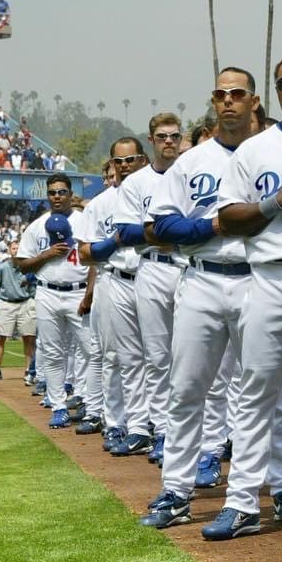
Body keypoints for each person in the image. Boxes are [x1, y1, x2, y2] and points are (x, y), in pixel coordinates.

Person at [202, 52, 282, 541]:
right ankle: (241, 504)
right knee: (254, 394)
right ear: (274, 93)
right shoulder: (254, 150)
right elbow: (229, 217)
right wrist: (275, 202)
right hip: (269, 274)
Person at [138, 68, 260, 529]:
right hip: (202, 277)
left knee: (254, 392)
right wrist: (212, 226)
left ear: (252, 100)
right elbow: (161, 227)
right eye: (220, 94)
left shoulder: (268, 152)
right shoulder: (192, 161)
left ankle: (247, 496)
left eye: (237, 93)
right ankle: (175, 490)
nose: (228, 100)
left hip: (256, 278)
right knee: (186, 387)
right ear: (213, 100)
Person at [110, 113, 182, 459]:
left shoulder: (191, 170)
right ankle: (163, 430)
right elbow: (125, 232)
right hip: (151, 268)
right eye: (162, 136)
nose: (169, 141)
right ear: (151, 140)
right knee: (157, 356)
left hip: (188, 267)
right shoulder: (136, 182)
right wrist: (170, 232)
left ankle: (196, 434)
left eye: (174, 136)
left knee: (193, 357)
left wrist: (165, 232)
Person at [78, 138, 149, 447]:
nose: (124, 165)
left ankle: (149, 425)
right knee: (115, 356)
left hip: (152, 274)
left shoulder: (156, 190)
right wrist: (115, 242)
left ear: (142, 159)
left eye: (130, 159)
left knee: (159, 358)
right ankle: (118, 423)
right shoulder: (101, 203)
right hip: (115, 278)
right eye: (118, 161)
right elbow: (85, 254)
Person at [14, 173, 97, 429]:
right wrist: (47, 254)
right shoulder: (37, 226)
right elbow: (21, 265)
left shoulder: (85, 220)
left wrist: (90, 294)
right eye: (52, 192)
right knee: (51, 353)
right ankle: (58, 406)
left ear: (70, 194)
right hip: (47, 292)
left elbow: (96, 261)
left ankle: (91, 404)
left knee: (92, 350)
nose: (57, 197)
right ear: (47, 195)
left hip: (79, 291)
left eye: (62, 192)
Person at [0, 253, 36, 380]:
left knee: (28, 338)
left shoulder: (29, 266)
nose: (16, 250)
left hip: (25, 301)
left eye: (18, 248)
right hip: (7, 302)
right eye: (13, 248)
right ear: (9, 250)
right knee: (0, 337)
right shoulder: (2, 268)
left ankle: (29, 370)